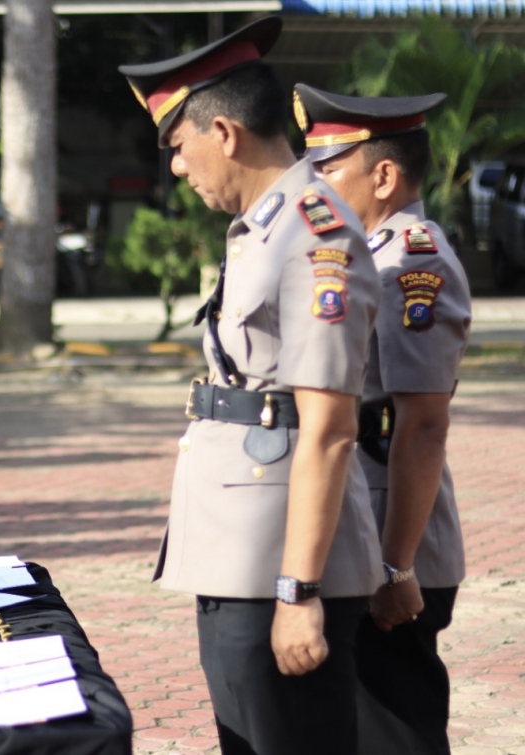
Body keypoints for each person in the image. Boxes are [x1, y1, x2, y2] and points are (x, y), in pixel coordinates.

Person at [119, 17, 383, 754]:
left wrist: (298, 591)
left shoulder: (315, 232)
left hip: (279, 559)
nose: (177, 167)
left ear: (225, 132)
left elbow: (329, 430)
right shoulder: (265, 228)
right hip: (242, 549)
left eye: (178, 146)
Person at [296, 83, 472, 755]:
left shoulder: (411, 261)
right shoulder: (372, 253)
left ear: (385, 174)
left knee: (397, 731)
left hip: (397, 548)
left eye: (329, 168)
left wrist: (398, 567)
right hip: (369, 535)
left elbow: (421, 426)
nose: (316, 184)